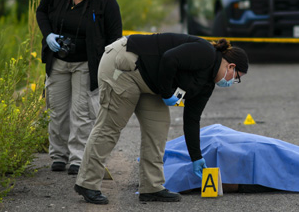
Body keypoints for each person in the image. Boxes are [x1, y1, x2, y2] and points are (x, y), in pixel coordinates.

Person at [74, 34, 249, 204]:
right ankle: (87, 183)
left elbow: (192, 119)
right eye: (237, 78)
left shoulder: (207, 85)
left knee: (158, 126)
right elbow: (169, 59)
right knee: (110, 126)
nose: (232, 82)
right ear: (231, 67)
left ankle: (151, 187)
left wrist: (196, 157)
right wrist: (166, 94)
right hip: (124, 64)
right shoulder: (206, 53)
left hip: (150, 81)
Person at [35, 0, 123, 175]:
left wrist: (109, 68)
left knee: (82, 112)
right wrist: (48, 36)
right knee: (56, 111)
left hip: (87, 63)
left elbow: (115, 36)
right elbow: (42, 11)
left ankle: (77, 158)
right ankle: (58, 155)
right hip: (59, 61)